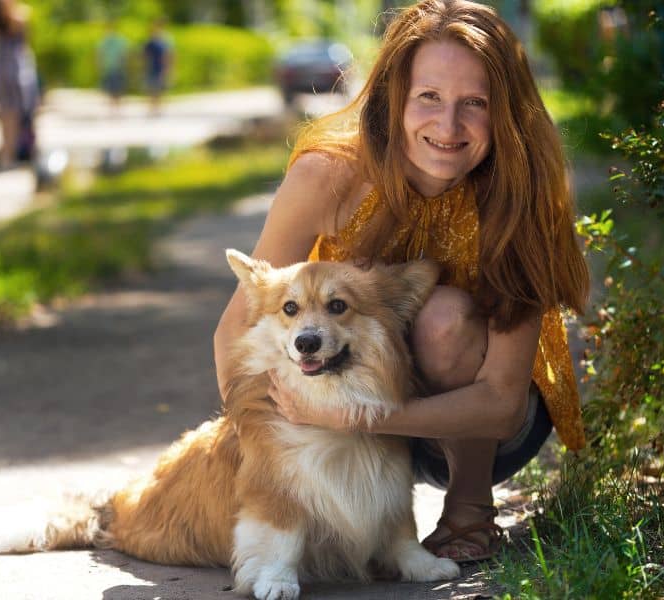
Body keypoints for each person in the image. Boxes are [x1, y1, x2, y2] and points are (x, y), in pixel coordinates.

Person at [213, 0, 590, 564]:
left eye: (475, 103)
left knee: (444, 317)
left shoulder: (520, 195)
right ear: (394, 98)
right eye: (429, 97)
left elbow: (502, 405)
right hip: (348, 406)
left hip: (484, 428)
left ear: (506, 112)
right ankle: (349, 516)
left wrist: (351, 418)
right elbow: (236, 330)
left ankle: (469, 510)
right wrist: (264, 457)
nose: (448, 126)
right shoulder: (327, 176)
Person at [0, 0, 40, 168]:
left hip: (9, 69)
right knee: (11, 113)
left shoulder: (7, 18)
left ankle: (7, 151)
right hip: (11, 70)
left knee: (11, 113)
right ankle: (8, 152)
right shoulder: (8, 17)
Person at [97, 21, 129, 113]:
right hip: (108, 68)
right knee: (110, 89)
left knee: (118, 89)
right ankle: (113, 108)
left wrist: (124, 64)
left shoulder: (120, 40)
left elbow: (124, 54)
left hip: (118, 68)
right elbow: (100, 54)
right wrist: (100, 65)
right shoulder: (104, 41)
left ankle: (117, 108)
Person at [142, 18, 172, 116]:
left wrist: (167, 68)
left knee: (159, 89)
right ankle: (152, 108)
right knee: (151, 89)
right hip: (150, 68)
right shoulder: (149, 42)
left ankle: (157, 108)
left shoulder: (164, 42)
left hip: (159, 69)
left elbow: (167, 56)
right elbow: (144, 56)